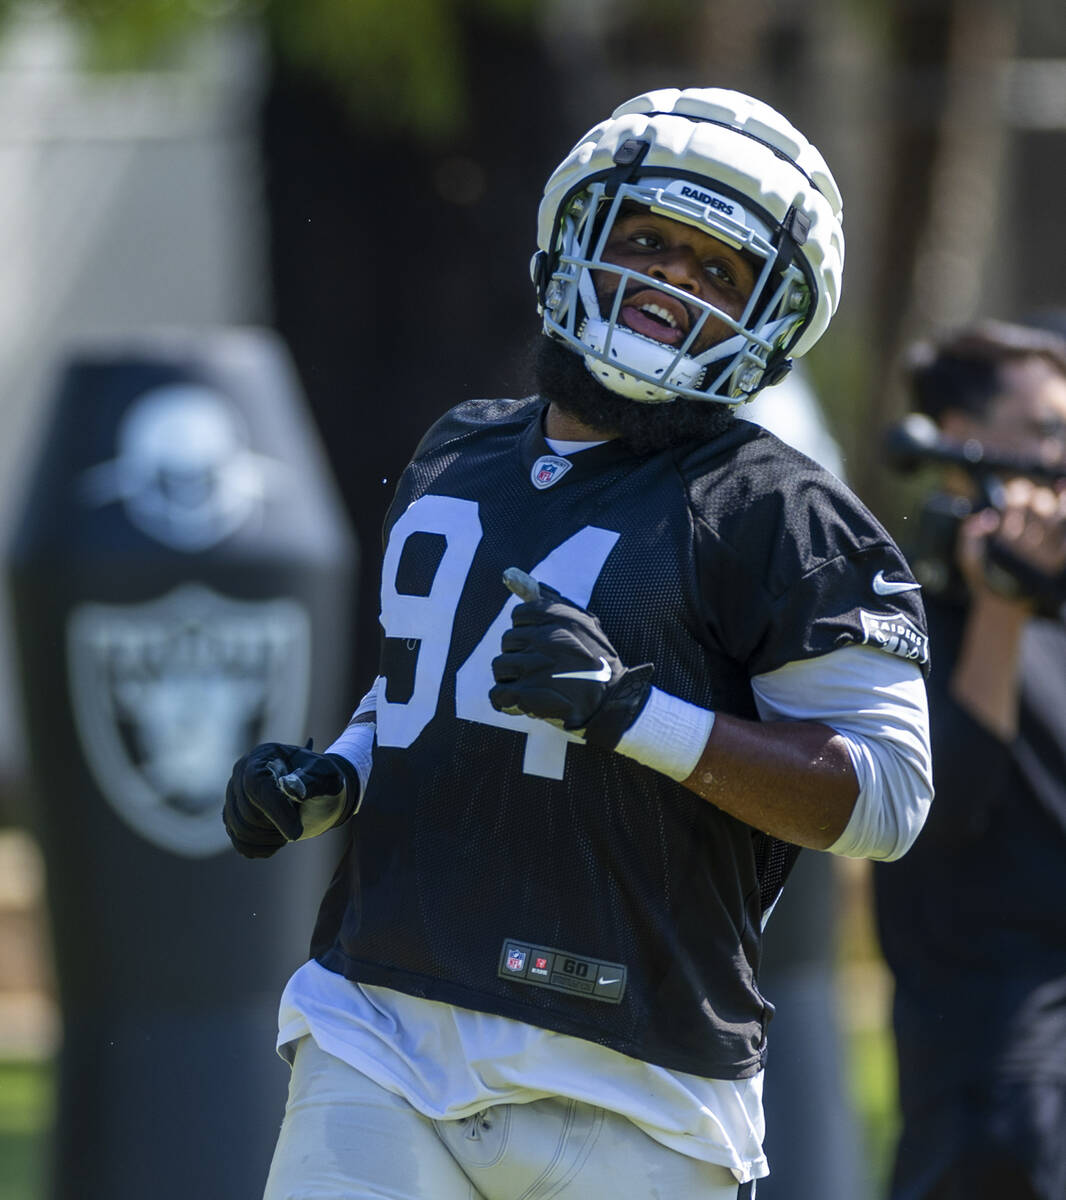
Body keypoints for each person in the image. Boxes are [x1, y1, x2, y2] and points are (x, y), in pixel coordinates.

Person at [223, 86, 933, 1199]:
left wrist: (632, 714)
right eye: (648, 241)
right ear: (573, 242)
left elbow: (887, 797)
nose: (670, 283)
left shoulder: (785, 515)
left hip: (640, 1077)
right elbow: (429, 686)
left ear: (771, 322)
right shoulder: (459, 450)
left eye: (717, 272)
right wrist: (336, 774)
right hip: (383, 1024)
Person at [874, 319, 1066, 1200]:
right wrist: (1001, 609)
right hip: (996, 1085)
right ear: (957, 441)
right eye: (1046, 431)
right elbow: (932, 813)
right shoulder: (894, 617)